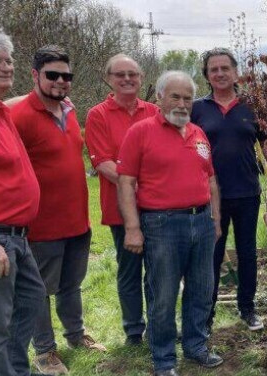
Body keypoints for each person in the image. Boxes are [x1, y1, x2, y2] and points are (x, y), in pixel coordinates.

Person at [117, 71, 223, 376]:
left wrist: (215, 220)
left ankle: (195, 345)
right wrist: (133, 228)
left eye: (187, 97)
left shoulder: (198, 133)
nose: (181, 103)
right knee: (162, 294)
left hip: (201, 220)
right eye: (174, 96)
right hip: (161, 224)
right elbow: (126, 182)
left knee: (202, 289)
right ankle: (163, 358)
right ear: (160, 98)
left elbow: (211, 179)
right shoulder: (141, 132)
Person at [10, 45, 105, 376]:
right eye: (52, 75)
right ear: (35, 75)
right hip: (41, 226)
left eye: (67, 76)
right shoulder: (18, 116)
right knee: (39, 292)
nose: (61, 81)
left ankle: (76, 336)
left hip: (77, 221)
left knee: (71, 286)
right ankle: (45, 351)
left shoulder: (68, 110)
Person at [0, 29, 53, 376]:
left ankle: (16, 370)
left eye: (9, 60)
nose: (5, 66)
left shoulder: (1, 112)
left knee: (30, 298)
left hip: (18, 234)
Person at [191, 48, 267, 332]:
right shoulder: (197, 108)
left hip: (247, 191)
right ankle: (206, 314)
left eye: (225, 68)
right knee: (211, 255)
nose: (220, 73)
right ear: (207, 75)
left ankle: (247, 309)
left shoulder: (252, 106)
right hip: (211, 196)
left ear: (236, 73)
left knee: (247, 253)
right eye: (214, 69)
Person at [85, 54, 158, 345]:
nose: (127, 79)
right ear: (109, 79)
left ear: (141, 78)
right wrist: (141, 182)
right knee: (129, 270)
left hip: (157, 208)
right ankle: (133, 330)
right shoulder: (98, 115)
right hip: (121, 209)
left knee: (157, 271)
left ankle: (158, 324)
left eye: (133, 74)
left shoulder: (154, 111)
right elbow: (103, 162)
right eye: (120, 74)